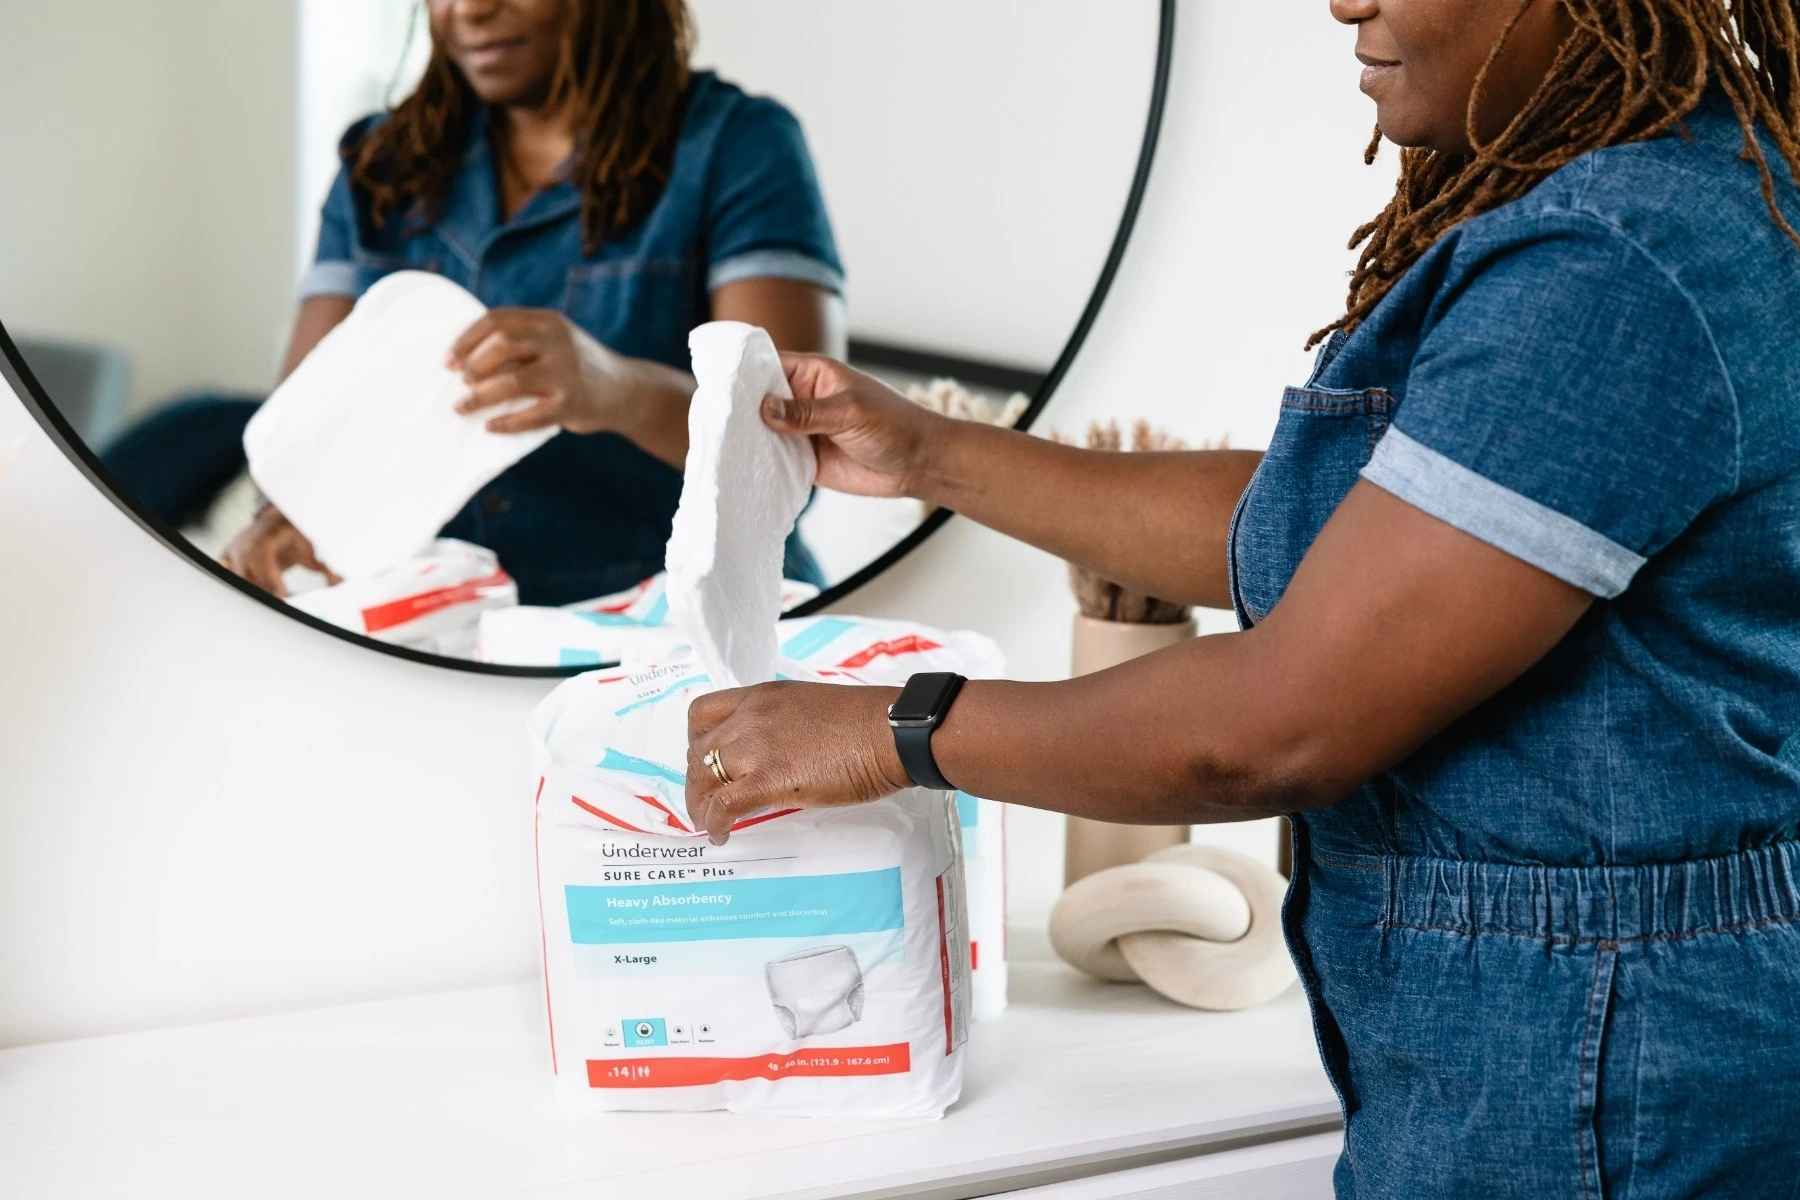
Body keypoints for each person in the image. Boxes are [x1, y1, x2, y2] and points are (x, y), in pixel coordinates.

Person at [680, 1, 1800, 1195]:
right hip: (1578, 1032)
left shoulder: (1613, 264)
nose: (1343, 0)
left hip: (1609, 1066)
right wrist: (930, 454)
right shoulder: (1664, 196)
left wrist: (885, 731)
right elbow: (1347, 538)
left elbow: (1279, 724)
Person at [106, 0, 843, 603]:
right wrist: (291, 513)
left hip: (681, 624)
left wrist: (611, 388)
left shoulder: (738, 146)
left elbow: (794, 446)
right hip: (443, 630)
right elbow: (307, 415)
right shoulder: (378, 165)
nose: (471, 11)